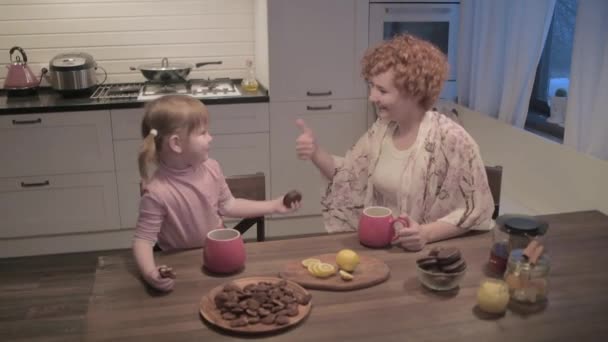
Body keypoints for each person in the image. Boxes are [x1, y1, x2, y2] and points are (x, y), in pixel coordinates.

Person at [295, 34, 494, 251]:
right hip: (383, 250)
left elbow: (477, 210)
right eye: (371, 86)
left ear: (414, 91)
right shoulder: (381, 131)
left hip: (430, 258)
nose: (372, 97)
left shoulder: (452, 140)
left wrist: (425, 234)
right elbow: (348, 177)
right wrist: (315, 152)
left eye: (382, 90)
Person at [134, 95, 300, 292]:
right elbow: (143, 240)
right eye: (203, 133)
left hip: (220, 256)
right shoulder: (157, 192)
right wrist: (150, 273)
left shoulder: (211, 168)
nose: (211, 137)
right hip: (184, 267)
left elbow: (229, 205)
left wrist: (274, 205)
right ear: (176, 144)